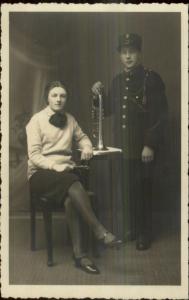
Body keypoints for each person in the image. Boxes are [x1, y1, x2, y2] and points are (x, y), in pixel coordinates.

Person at [26, 80, 122, 275]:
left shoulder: (70, 119)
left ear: (66, 99)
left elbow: (83, 138)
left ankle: (80, 256)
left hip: (65, 175)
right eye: (54, 95)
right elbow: (34, 156)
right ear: (47, 97)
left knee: (71, 197)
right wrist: (56, 166)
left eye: (62, 96)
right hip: (40, 174)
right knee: (72, 179)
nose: (59, 99)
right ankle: (99, 231)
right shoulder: (36, 121)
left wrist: (87, 147)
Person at [91, 33, 168, 250]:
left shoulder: (151, 79)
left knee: (143, 189)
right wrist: (98, 94)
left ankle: (145, 232)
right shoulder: (116, 81)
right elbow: (106, 111)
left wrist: (150, 144)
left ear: (139, 53)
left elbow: (160, 115)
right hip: (122, 147)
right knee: (128, 190)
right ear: (119, 56)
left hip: (143, 147)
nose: (128, 56)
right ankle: (132, 228)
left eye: (132, 52)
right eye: (124, 53)